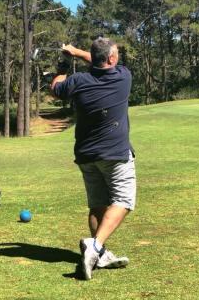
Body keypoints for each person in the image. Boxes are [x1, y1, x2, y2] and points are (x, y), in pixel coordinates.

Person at [51, 37, 136, 280]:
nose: (117, 56)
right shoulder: (123, 77)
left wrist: (65, 64)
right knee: (124, 200)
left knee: (97, 203)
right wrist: (77, 52)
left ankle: (101, 255)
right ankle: (95, 246)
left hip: (86, 155)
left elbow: (55, 88)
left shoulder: (78, 82)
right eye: (116, 53)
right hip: (115, 155)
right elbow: (98, 60)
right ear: (111, 59)